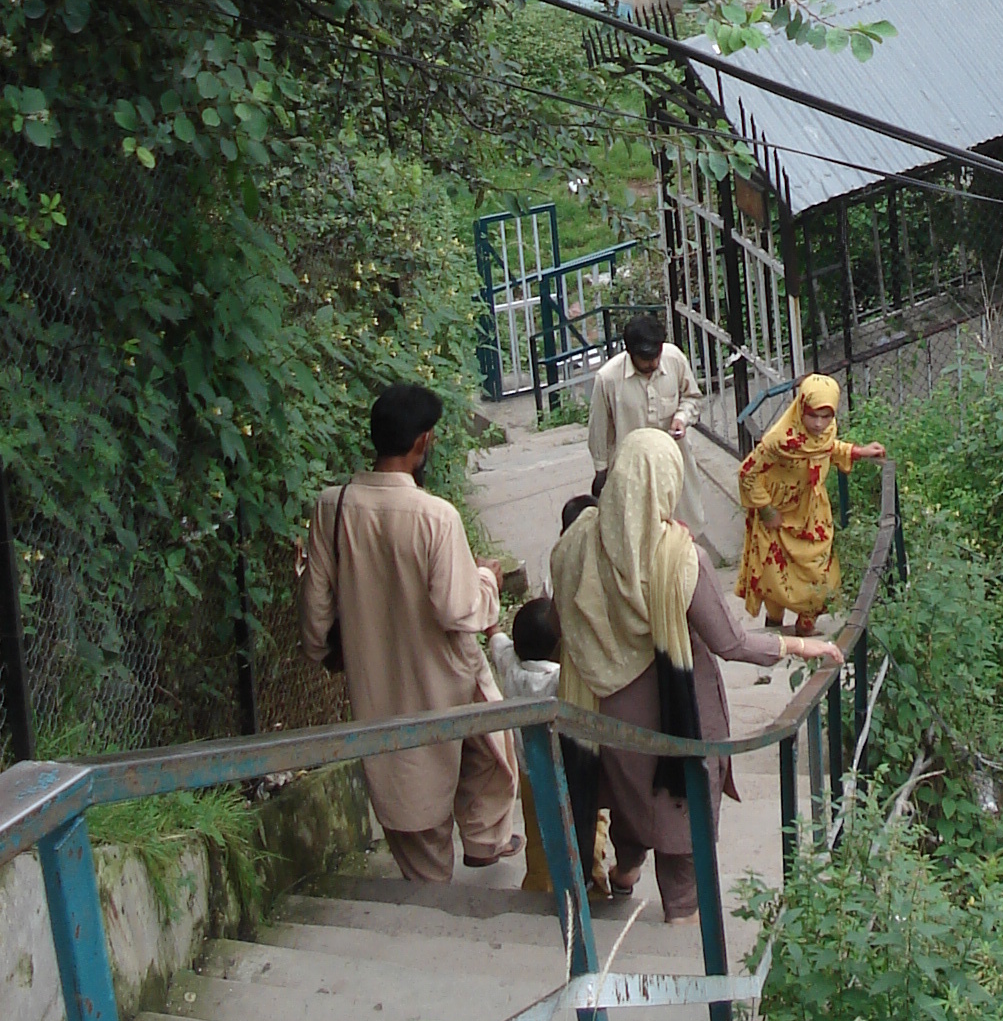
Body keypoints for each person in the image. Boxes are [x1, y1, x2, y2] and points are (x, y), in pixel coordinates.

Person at [551, 427, 840, 918]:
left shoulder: (577, 541)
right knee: (679, 819)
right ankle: (684, 928)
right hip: (672, 710)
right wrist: (799, 645)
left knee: (626, 796)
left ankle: (623, 873)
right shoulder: (679, 558)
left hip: (600, 711)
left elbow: (566, 618)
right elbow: (731, 642)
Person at [299, 383, 520, 883]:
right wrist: (487, 578)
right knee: (487, 749)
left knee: (410, 790)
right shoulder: (435, 516)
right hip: (445, 672)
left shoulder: (332, 508)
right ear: (423, 441)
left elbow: (316, 608)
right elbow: (459, 610)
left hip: (378, 678)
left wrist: (322, 649)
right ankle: (484, 841)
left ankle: (433, 894)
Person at [736, 373, 885, 636]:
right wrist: (766, 508)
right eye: (812, 416)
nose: (818, 424)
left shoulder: (826, 432)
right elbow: (747, 473)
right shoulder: (778, 440)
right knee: (774, 569)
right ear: (801, 408)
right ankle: (774, 621)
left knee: (820, 569)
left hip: (812, 512)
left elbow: (825, 448)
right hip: (779, 512)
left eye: (825, 416)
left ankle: (806, 623)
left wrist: (857, 452)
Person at [587, 315, 714, 538]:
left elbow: (692, 397)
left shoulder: (674, 359)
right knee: (642, 534)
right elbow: (599, 432)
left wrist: (681, 418)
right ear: (630, 353)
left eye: (655, 357)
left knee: (684, 529)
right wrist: (602, 472)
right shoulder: (608, 379)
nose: (652, 364)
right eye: (645, 359)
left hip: (675, 461)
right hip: (633, 471)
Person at [490, 598, 561, 896]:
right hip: (567, 768)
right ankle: (592, 880)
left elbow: (496, 640)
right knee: (587, 826)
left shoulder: (511, 667)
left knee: (538, 831)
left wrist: (492, 622)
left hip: (530, 771)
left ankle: (538, 885)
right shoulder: (559, 679)